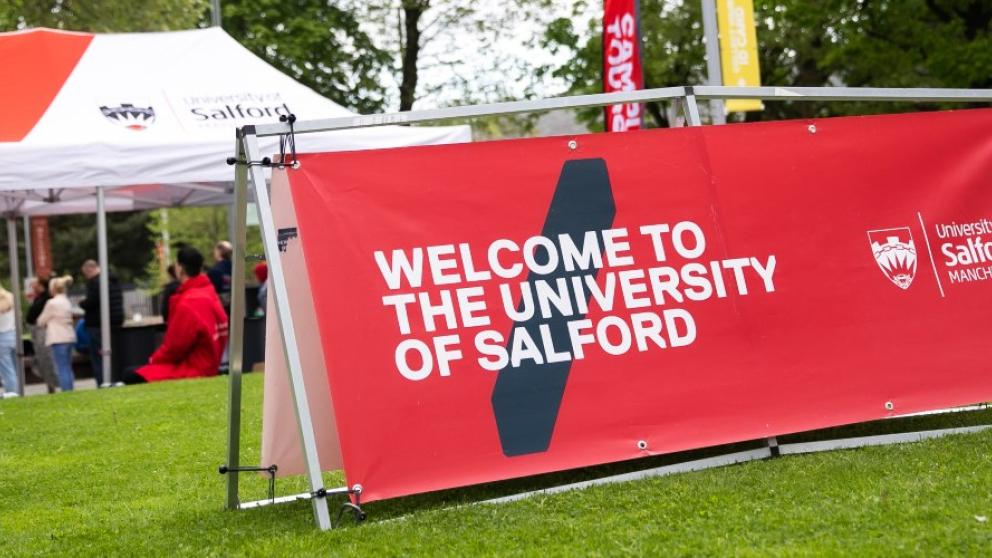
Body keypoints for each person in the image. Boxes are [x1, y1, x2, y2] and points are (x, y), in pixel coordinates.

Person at [126, 246, 229, 384]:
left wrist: (153, 360)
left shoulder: (189, 302)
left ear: (180, 268)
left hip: (194, 369)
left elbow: (174, 348)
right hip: (208, 364)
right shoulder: (209, 293)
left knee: (131, 374)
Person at [79, 259, 124, 386]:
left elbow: (92, 301)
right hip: (115, 321)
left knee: (98, 356)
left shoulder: (96, 282)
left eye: (85, 274)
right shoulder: (112, 280)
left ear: (90, 270)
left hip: (98, 323)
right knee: (113, 354)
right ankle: (115, 379)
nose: (86, 277)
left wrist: (82, 303)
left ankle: (103, 382)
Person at [37, 275, 77, 392]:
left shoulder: (52, 303)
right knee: (68, 367)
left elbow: (41, 320)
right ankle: (70, 389)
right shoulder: (66, 301)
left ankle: (66, 391)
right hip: (69, 336)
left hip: (58, 337)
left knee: (61, 367)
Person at [25, 276, 58, 393]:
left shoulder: (47, 299)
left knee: (47, 359)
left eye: (34, 284)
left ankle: (53, 385)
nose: (32, 287)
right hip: (38, 333)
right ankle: (50, 385)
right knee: (42, 360)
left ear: (41, 285)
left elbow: (39, 318)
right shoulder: (39, 299)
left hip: (44, 333)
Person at [0, 282, 18, 397]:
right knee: (15, 369)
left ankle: (12, 394)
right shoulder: (10, 296)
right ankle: (17, 392)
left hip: (1, 337)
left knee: (7, 371)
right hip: (13, 334)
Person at [207, 240, 233, 311]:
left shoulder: (215, 270)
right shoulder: (235, 268)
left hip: (219, 307)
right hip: (233, 306)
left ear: (219, 251)